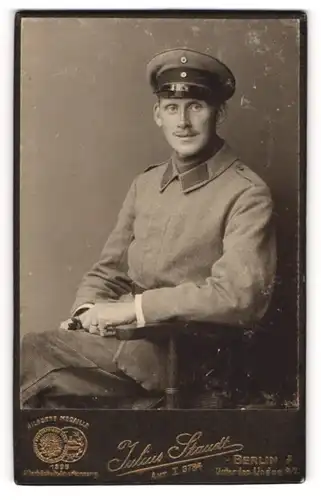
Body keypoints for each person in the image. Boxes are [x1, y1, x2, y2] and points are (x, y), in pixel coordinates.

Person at [20, 48, 276, 409]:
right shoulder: (146, 183)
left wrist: (132, 309)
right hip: (128, 349)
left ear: (220, 112)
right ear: (158, 114)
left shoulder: (246, 193)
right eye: (172, 108)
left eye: (196, 106)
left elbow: (238, 297)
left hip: (186, 359)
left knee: (28, 357)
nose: (182, 122)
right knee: (41, 397)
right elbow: (108, 271)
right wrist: (85, 314)